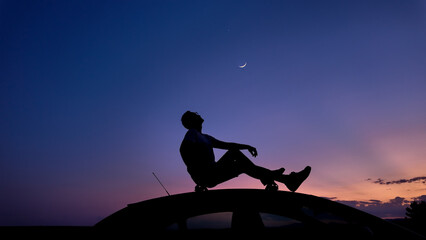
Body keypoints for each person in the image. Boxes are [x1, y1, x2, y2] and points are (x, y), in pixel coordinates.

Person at [179, 111, 311, 192]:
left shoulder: (205, 137)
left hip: (211, 174)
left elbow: (227, 145)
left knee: (241, 164)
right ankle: (271, 176)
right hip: (207, 175)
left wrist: (247, 146)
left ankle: (283, 179)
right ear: (191, 121)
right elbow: (184, 150)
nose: (198, 114)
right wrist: (195, 173)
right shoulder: (192, 134)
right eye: (194, 115)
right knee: (234, 153)